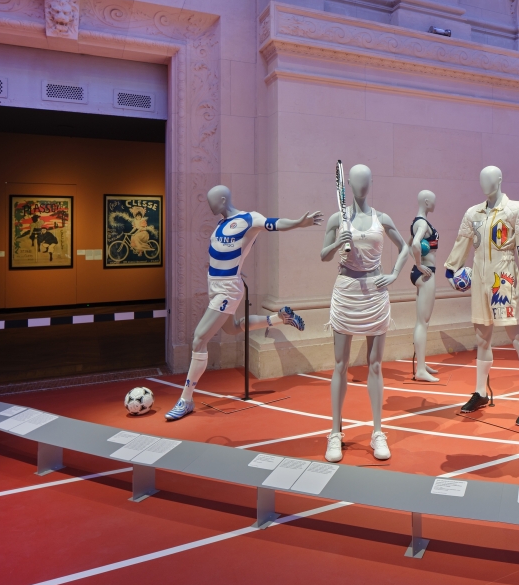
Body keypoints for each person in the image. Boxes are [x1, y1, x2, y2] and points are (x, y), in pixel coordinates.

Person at [164, 186, 320, 421]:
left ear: (224, 199)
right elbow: (226, 253)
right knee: (232, 328)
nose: (209, 205)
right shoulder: (219, 225)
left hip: (226, 289)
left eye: (212, 201)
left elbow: (275, 223)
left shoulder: (249, 218)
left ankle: (186, 399)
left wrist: (299, 223)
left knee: (199, 338)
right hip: (215, 285)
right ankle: (280, 318)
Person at [320, 164, 410, 462]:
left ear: (371, 182)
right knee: (340, 364)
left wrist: (395, 273)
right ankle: (335, 433)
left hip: (374, 291)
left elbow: (404, 245)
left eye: (366, 180)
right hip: (346, 290)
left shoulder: (381, 218)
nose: (362, 185)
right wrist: (338, 242)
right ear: (349, 183)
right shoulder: (338, 218)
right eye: (357, 180)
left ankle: (377, 431)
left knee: (374, 365)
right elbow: (323, 255)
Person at [444, 166, 519, 426]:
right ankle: (480, 391)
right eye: (481, 178)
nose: (484, 182)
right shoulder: (472, 213)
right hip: (480, 278)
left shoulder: (516, 210)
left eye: (489, 178)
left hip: (504, 279)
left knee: (517, 337)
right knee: (481, 337)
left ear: (499, 180)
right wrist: (451, 269)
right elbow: (462, 241)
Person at [409, 190, 441, 382]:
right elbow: (414, 244)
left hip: (420, 273)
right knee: (423, 322)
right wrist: (420, 264)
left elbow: (408, 246)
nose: (435, 203)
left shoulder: (418, 222)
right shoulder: (422, 223)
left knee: (421, 321)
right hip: (426, 274)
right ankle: (420, 369)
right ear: (427, 201)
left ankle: (421, 363)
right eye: (434, 200)